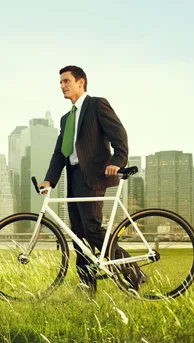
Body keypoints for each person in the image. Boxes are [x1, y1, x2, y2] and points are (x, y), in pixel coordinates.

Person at [39, 65, 146, 294]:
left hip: (94, 176)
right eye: (60, 82)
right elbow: (60, 152)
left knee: (91, 229)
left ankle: (133, 270)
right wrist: (50, 180)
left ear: (81, 83)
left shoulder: (97, 104)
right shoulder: (66, 119)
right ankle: (87, 284)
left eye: (66, 81)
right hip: (73, 176)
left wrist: (117, 161)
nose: (62, 86)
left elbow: (119, 134)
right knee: (78, 233)